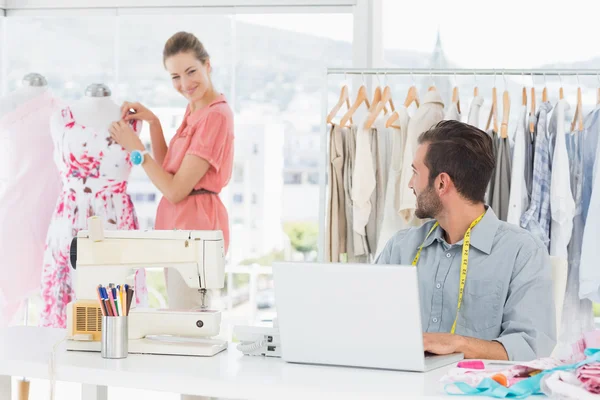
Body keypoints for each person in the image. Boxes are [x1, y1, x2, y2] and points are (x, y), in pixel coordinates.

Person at [376, 120, 556, 361]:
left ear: (441, 183)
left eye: (415, 172)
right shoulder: (400, 247)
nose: (410, 184)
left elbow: (531, 348)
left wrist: (457, 343)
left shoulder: (522, 252)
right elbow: (369, 321)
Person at [109, 31, 234, 311]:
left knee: (189, 323)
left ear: (208, 65)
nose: (185, 83)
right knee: (182, 318)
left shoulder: (214, 115)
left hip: (196, 231)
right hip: (179, 230)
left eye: (191, 72)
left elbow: (175, 191)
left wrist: (136, 150)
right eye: (176, 77)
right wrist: (153, 122)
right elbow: (169, 171)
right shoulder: (195, 109)